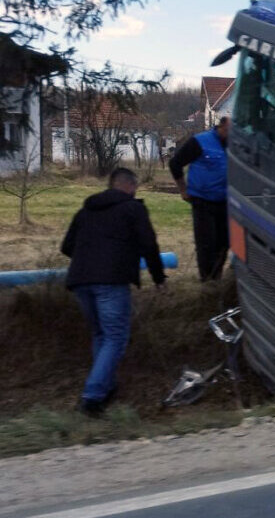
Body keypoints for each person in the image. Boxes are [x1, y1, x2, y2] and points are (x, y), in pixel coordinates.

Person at [61, 167, 166, 417]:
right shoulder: (133, 209)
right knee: (116, 338)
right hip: (111, 281)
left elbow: (66, 247)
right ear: (129, 186)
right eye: (136, 187)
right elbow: (149, 245)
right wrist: (159, 278)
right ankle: (92, 398)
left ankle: (106, 388)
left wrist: (90, 257)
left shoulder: (85, 210)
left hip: (79, 280)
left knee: (101, 335)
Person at [169, 117, 231, 281]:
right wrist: (183, 190)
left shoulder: (235, 146)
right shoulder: (200, 141)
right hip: (203, 201)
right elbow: (175, 163)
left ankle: (216, 277)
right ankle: (207, 281)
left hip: (225, 202)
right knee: (206, 244)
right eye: (232, 129)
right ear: (222, 126)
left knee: (224, 243)